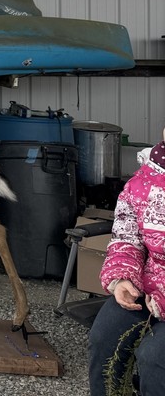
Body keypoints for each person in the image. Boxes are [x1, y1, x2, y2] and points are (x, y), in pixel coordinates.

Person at [88, 132, 165, 396]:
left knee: (154, 357)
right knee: (105, 338)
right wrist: (122, 279)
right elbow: (126, 239)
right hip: (149, 286)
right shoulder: (141, 184)